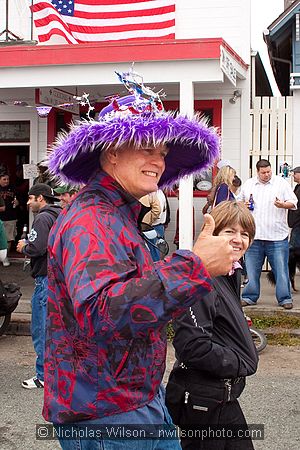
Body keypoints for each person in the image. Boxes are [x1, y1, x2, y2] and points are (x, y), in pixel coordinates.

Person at [43, 69, 234, 450]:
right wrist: (194, 265)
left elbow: (130, 291)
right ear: (111, 152)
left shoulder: (117, 213)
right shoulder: (91, 218)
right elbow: (104, 313)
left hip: (130, 401)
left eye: (163, 152)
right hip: (107, 414)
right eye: (148, 147)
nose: (159, 161)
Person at [166, 200, 258, 450]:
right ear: (213, 234)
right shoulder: (203, 278)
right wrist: (240, 362)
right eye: (230, 231)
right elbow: (192, 345)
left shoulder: (230, 273)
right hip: (203, 400)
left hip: (224, 396)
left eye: (245, 234)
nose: (239, 239)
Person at [16, 183, 61, 389]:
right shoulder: (59, 214)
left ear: (40, 198)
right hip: (57, 277)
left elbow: (37, 247)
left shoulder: (43, 218)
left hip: (45, 278)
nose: (28, 202)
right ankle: (56, 373)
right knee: (53, 330)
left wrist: (25, 246)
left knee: (41, 329)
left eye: (30, 198)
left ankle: (43, 375)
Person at [238, 159, 297, 309]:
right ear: (257, 172)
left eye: (269, 171)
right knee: (252, 270)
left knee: (281, 270)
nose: (267, 175)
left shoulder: (281, 183)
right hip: (254, 236)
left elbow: (294, 203)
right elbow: (237, 202)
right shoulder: (249, 184)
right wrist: (242, 205)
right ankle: (249, 297)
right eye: (263, 172)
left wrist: (283, 205)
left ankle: (284, 298)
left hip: (277, 236)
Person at [0, 172, 19, 266]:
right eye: (4, 179)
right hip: (0, 217)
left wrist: (17, 202)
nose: (6, 181)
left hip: (10, 216)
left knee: (8, 238)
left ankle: (5, 257)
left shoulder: (13, 188)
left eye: (7, 179)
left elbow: (19, 202)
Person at [139, 191, 162, 261]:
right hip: (145, 227)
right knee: (153, 251)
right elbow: (157, 209)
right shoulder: (151, 192)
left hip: (129, 227)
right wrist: (148, 222)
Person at [287, 166, 300, 290]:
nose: (293, 176)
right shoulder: (297, 187)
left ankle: (288, 280)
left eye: (295, 173)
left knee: (292, 253)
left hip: (298, 225)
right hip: (295, 225)